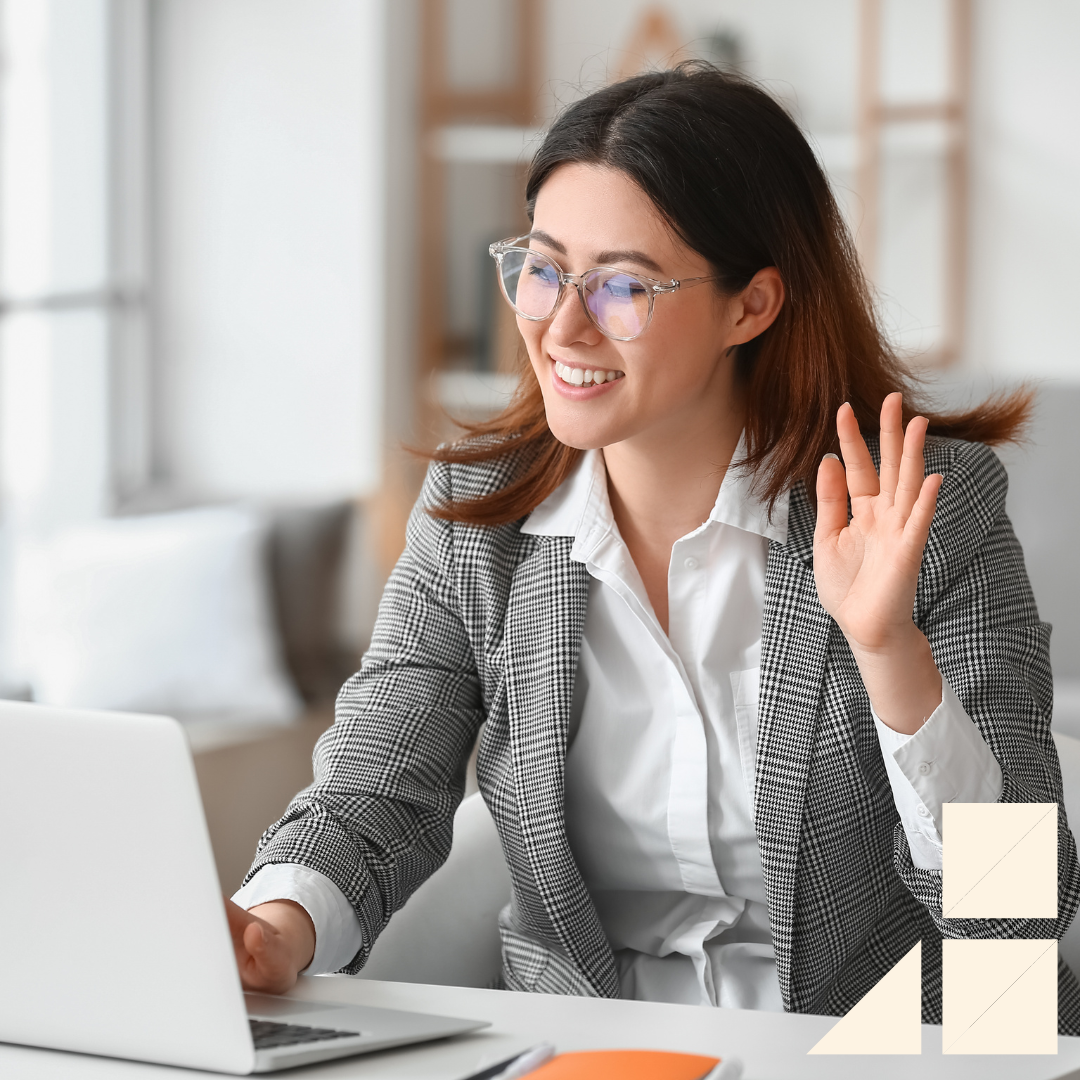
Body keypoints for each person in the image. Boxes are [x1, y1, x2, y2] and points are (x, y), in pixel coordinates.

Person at [225, 63, 1080, 1029]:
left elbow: (1017, 918)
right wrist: (274, 925)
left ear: (751, 306)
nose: (562, 325)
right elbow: (377, 790)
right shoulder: (480, 519)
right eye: (543, 270)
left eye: (622, 285)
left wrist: (890, 654)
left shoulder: (925, 506)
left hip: (888, 1043)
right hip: (599, 1051)